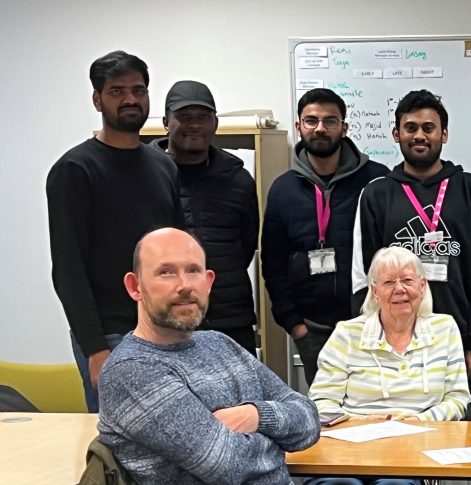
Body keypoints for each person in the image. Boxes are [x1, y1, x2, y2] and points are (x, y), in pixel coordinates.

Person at [97, 228, 320, 484]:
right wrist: (279, 443)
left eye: (193, 270)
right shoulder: (130, 370)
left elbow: (309, 420)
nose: (184, 286)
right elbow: (226, 464)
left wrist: (255, 415)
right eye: (166, 272)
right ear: (135, 287)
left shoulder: (220, 343)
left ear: (209, 281)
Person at [47, 50, 184, 412]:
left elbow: (178, 253)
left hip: (165, 327)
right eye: (117, 91)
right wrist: (95, 348)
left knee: (173, 433)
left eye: (138, 90)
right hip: (110, 336)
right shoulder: (76, 170)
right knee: (119, 438)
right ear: (98, 100)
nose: (130, 99)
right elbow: (68, 268)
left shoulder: (164, 166)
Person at [351, 89, 471, 419]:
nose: (419, 135)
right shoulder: (376, 194)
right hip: (391, 347)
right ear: (396, 134)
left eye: (429, 128)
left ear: (444, 134)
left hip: (458, 345)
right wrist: (367, 342)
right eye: (411, 127)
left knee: (459, 439)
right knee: (395, 436)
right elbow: (363, 276)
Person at [262, 88, 390, 384]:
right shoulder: (283, 189)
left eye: (330, 121)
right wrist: (294, 323)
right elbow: (273, 261)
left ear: (343, 127)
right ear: (299, 126)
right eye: (311, 120)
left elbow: (393, 250)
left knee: (378, 402)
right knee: (325, 406)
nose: (320, 128)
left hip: (371, 323)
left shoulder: (377, 180)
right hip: (313, 329)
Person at [151, 80, 260, 354]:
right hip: (166, 320)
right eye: (185, 117)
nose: (195, 125)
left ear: (215, 124)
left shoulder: (238, 180)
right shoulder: (147, 177)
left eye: (203, 117)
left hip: (230, 318)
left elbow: (246, 244)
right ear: (166, 123)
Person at [310, 245, 471, 422]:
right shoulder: (347, 334)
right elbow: (321, 402)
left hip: (427, 432)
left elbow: (457, 398)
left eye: (407, 280)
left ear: (422, 286)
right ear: (375, 291)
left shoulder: (445, 328)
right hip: (361, 434)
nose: (399, 289)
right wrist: (361, 422)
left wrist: (418, 422)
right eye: (388, 282)